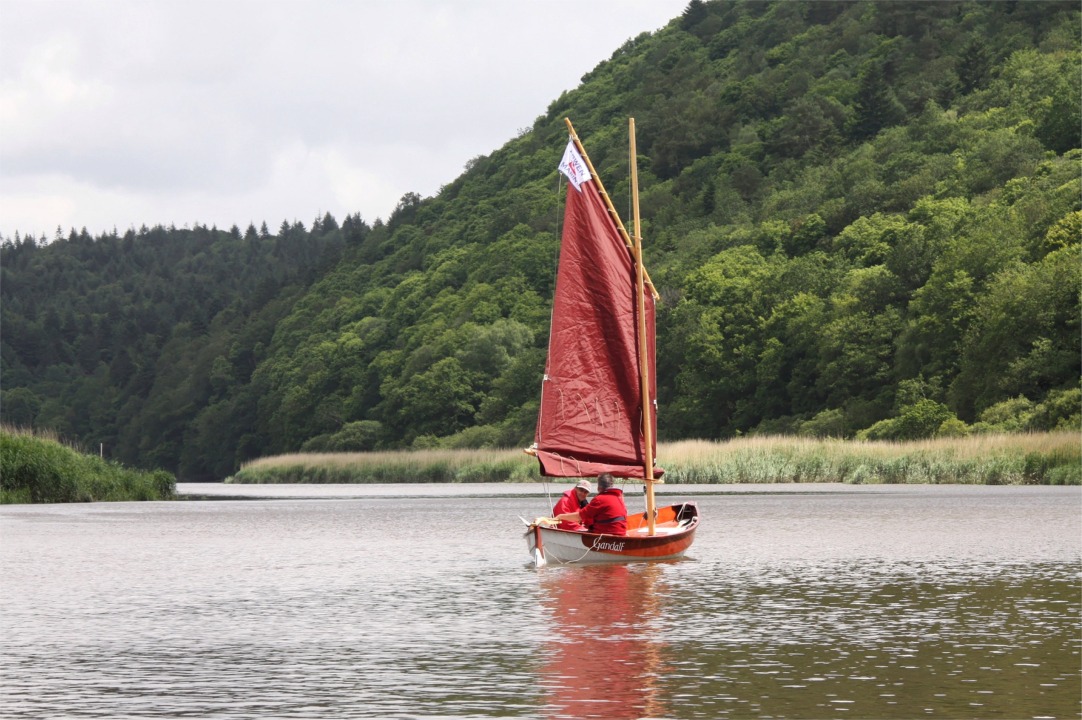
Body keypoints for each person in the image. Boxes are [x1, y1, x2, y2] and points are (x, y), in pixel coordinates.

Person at [552, 473, 628, 535]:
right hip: (620, 533)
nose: (583, 493)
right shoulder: (619, 498)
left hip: (608, 535)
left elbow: (584, 517)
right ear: (575, 488)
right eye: (581, 490)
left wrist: (587, 527)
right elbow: (566, 524)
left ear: (599, 488)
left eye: (586, 492)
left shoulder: (593, 501)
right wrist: (560, 516)